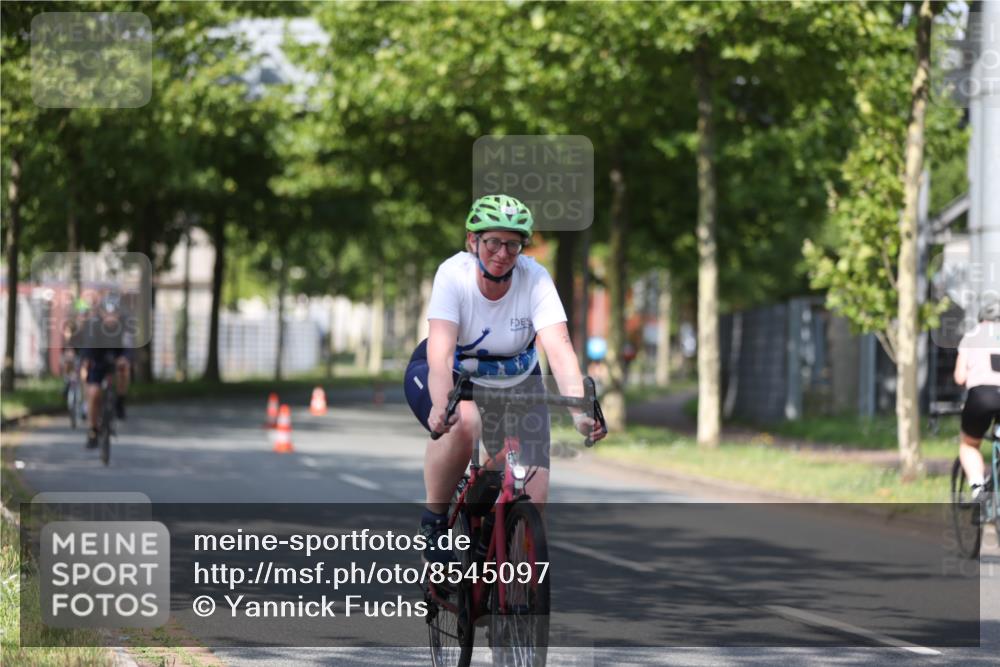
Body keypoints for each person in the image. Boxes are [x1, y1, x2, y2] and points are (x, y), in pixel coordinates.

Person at [404, 194, 606, 564]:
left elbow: (559, 350)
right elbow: (441, 354)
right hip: (451, 374)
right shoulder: (454, 275)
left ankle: (494, 567)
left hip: (517, 379)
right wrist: (439, 405)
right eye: (492, 241)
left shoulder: (535, 278)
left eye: (512, 244)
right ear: (472, 241)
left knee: (534, 493)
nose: (502, 252)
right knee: (465, 423)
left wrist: (579, 410)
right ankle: (433, 523)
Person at [953, 295, 1000, 499]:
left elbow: (960, 376)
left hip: (981, 396)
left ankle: (978, 488)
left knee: (969, 445)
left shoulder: (972, 336)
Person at [77, 293, 132, 447]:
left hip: (117, 355)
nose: (110, 317)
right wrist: (87, 362)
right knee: (94, 394)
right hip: (97, 358)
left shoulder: (126, 324)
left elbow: (129, 345)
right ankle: (93, 430)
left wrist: (125, 358)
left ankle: (120, 401)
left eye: (114, 313)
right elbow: (87, 348)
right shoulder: (93, 325)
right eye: (107, 313)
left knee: (125, 368)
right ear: (101, 313)